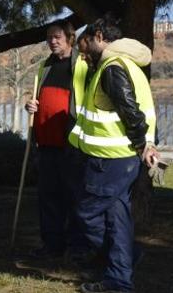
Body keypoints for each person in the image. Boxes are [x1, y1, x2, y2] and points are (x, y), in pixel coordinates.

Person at [68, 18, 159, 293]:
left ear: (98, 36)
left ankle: (126, 257)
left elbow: (131, 111)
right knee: (116, 219)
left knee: (86, 214)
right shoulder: (120, 64)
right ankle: (119, 281)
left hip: (112, 160)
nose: (81, 52)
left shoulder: (112, 67)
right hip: (121, 157)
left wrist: (143, 144)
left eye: (83, 44)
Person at [24, 21, 89, 260]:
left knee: (73, 197)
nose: (53, 41)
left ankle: (77, 247)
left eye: (57, 36)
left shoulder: (82, 64)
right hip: (46, 143)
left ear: (70, 37)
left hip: (71, 144)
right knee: (48, 198)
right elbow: (38, 99)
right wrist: (30, 105)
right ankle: (52, 245)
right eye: (49, 37)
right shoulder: (44, 67)